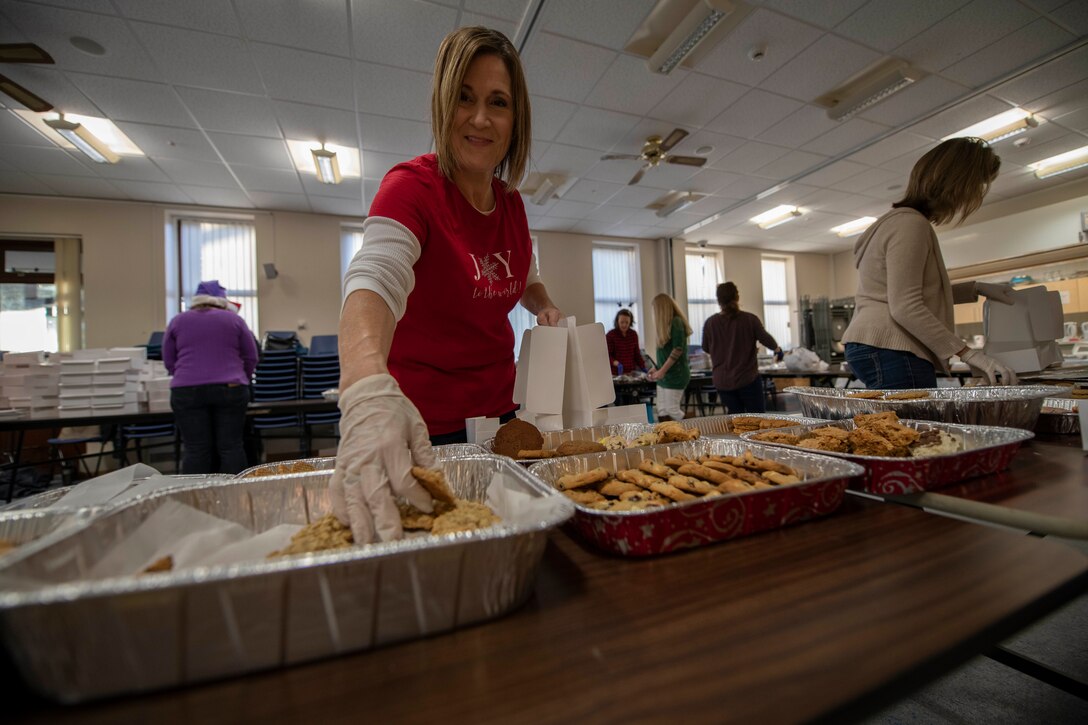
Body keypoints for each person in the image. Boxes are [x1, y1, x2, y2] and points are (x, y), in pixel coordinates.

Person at [332, 27, 563, 545]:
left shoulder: (511, 205)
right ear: (442, 103)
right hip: (420, 429)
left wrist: (544, 304)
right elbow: (374, 278)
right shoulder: (411, 188)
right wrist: (365, 386)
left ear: (515, 120)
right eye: (464, 97)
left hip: (502, 419)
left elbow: (521, 271)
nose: (480, 118)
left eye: (497, 102)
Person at [842, 137, 1018, 390]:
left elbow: (902, 292)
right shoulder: (910, 224)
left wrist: (976, 288)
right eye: (977, 185)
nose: (975, 195)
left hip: (874, 344)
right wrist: (968, 353)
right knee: (911, 428)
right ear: (957, 183)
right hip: (894, 345)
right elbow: (905, 306)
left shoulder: (894, 222)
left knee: (899, 426)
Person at [163, 280, 258, 474]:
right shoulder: (234, 320)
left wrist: (185, 376)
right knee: (231, 447)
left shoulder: (177, 321)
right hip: (231, 388)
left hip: (186, 390)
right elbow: (251, 356)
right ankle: (236, 498)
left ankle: (193, 498)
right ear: (222, 301)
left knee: (196, 449)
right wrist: (240, 378)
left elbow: (168, 359)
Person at [702, 282, 782, 414]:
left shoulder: (710, 323)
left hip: (723, 381)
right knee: (757, 419)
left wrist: (722, 350)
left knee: (735, 419)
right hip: (747, 379)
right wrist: (777, 350)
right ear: (737, 297)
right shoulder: (750, 320)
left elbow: (705, 347)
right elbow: (767, 340)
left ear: (718, 300)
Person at [647, 293, 691, 421]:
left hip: (675, 375)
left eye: (655, 309)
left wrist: (661, 371)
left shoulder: (676, 322)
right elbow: (665, 354)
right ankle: (667, 439)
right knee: (662, 411)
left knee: (672, 410)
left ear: (661, 309)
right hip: (665, 376)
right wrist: (657, 369)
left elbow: (677, 350)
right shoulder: (663, 328)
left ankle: (693, 432)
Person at [606, 308, 652, 376]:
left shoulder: (633, 334)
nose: (624, 325)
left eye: (627, 322)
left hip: (631, 372)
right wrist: (617, 363)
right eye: (622, 322)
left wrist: (643, 368)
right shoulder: (610, 335)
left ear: (630, 322)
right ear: (617, 321)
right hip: (615, 373)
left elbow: (637, 354)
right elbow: (607, 355)